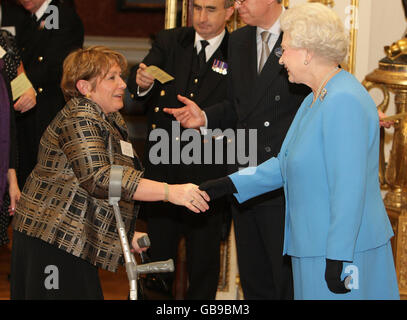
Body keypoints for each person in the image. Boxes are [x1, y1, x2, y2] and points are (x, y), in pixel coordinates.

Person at [199, 3, 400, 300]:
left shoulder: (344, 99)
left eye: (286, 49)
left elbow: (349, 188)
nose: (280, 60)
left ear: (308, 53)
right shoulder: (313, 99)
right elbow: (284, 164)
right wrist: (225, 185)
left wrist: (338, 257)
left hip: (343, 253)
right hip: (312, 248)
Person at [10, 46, 210, 300]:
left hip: (71, 238)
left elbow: (96, 190)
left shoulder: (109, 119)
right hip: (52, 238)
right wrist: (170, 192)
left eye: (121, 76)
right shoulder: (79, 117)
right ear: (84, 87)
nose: (123, 84)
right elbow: (101, 179)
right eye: (112, 77)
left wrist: (123, 233)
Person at [165, 0, 309, 299]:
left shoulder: (303, 31)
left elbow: (322, 91)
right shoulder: (241, 39)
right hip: (243, 173)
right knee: (254, 276)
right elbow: (238, 104)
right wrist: (204, 117)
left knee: (285, 280)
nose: (238, 4)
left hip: (285, 177)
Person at [127, 0, 234, 299]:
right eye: (196, 7)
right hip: (164, 172)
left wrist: (206, 117)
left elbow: (240, 108)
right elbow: (141, 80)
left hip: (209, 174)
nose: (201, 17)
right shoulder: (171, 40)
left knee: (203, 263)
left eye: (210, 9)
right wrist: (142, 80)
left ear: (229, 11)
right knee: (157, 260)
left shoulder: (238, 50)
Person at [15, 0, 84, 187]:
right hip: (26, 105)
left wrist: (14, 85)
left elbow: (55, 67)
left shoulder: (62, 15)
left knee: (42, 173)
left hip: (47, 110)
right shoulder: (26, 18)